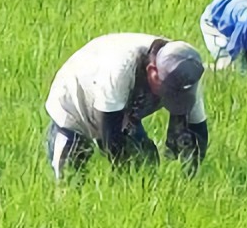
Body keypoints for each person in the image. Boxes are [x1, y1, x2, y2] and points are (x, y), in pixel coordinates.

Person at [44, 34, 208, 180]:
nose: (172, 97)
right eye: (168, 91)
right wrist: (123, 179)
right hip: (74, 102)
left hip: (124, 109)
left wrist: (187, 176)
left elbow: (197, 129)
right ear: (152, 71)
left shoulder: (184, 71)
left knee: (145, 167)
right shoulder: (120, 68)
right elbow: (110, 133)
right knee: (70, 178)